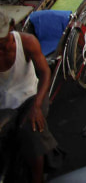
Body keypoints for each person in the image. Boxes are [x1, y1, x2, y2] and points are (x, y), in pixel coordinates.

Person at [0, 11, 58, 183]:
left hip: (31, 95)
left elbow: (45, 72)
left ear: (11, 27)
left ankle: (37, 178)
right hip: (4, 103)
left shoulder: (26, 42)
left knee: (31, 132)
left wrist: (37, 106)